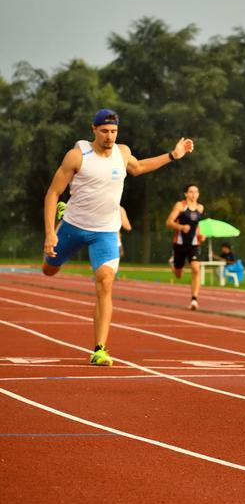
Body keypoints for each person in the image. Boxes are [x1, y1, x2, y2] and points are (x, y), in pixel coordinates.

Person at [42, 108, 193, 366]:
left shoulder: (122, 153)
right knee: (49, 270)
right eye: (104, 131)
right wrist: (49, 235)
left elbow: (139, 167)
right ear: (93, 130)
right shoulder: (77, 156)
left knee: (105, 281)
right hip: (73, 226)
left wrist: (172, 155)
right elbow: (53, 193)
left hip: (106, 230)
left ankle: (100, 348)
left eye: (113, 131)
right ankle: (63, 217)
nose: (109, 136)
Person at [166, 184, 205, 310]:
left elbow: (198, 224)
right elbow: (169, 222)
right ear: (186, 194)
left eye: (196, 192)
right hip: (179, 243)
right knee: (179, 275)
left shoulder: (200, 208)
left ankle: (194, 299)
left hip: (194, 244)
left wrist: (201, 233)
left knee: (195, 268)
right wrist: (181, 227)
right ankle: (173, 264)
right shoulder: (180, 206)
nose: (194, 194)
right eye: (191, 192)